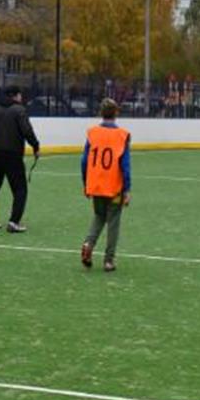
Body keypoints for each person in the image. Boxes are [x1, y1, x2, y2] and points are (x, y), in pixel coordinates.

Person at [0, 86, 40, 232]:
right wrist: (36, 146)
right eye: (20, 95)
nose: (21, 98)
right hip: (13, 155)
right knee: (20, 189)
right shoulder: (19, 110)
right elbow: (27, 131)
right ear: (16, 96)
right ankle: (14, 222)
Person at [80, 98, 131, 272]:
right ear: (116, 113)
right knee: (113, 222)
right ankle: (109, 260)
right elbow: (125, 166)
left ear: (101, 113)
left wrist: (86, 182)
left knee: (99, 215)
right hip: (114, 187)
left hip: (96, 184)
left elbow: (84, 161)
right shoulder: (122, 135)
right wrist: (127, 189)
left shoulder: (92, 133)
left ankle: (88, 243)